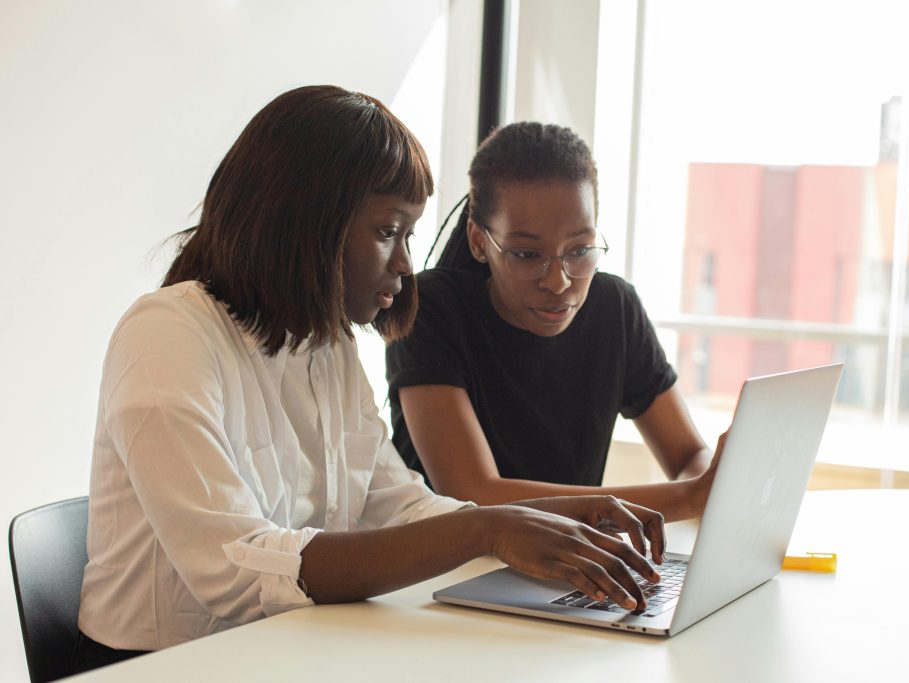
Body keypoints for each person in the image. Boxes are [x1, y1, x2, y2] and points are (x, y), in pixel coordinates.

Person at [75, 87, 669, 674]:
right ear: (305, 222)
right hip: (162, 667)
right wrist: (487, 528)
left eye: (409, 236)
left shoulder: (325, 344)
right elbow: (236, 574)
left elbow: (397, 505)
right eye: (389, 231)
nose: (406, 264)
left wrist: (549, 520)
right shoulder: (167, 334)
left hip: (288, 652)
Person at [386, 122, 725, 522]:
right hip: (450, 556)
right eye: (527, 254)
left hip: (572, 556)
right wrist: (688, 498)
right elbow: (473, 493)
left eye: (580, 250)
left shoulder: (615, 309)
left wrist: (708, 485)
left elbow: (689, 455)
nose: (558, 282)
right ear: (479, 242)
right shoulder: (430, 308)